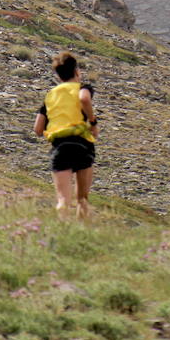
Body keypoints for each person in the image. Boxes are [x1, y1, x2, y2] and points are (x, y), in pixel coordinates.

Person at [33, 51, 98, 218]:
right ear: (77, 71)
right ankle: (82, 236)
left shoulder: (51, 95)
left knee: (63, 200)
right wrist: (93, 122)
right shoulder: (82, 88)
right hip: (82, 145)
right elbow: (84, 99)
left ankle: (63, 231)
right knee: (82, 199)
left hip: (60, 147)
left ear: (59, 75)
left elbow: (38, 129)